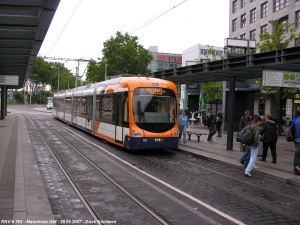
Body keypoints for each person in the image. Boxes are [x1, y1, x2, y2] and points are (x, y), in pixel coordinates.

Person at [292, 111, 300, 175]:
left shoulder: (296, 121)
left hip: (297, 140)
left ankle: (295, 170)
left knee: (297, 155)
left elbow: (293, 130)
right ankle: (298, 167)